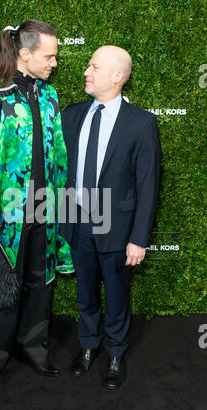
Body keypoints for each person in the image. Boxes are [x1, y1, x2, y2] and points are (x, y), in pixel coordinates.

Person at [0, 19, 73, 394]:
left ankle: (34, 350)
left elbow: (59, 156)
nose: (54, 63)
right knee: (4, 291)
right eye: (49, 56)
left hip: (45, 210)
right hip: (6, 217)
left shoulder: (49, 95)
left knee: (40, 285)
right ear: (24, 54)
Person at [60, 45, 161, 390]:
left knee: (117, 292)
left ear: (117, 76)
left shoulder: (142, 123)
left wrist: (138, 238)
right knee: (85, 291)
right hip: (77, 222)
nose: (86, 72)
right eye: (89, 65)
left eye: (94, 66)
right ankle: (88, 346)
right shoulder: (71, 115)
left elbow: (148, 185)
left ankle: (116, 353)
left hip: (117, 226)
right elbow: (62, 173)